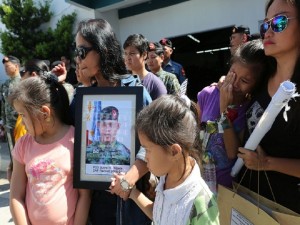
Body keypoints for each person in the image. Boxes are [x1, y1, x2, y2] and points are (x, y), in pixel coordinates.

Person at [71, 18, 152, 225]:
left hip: (129, 203)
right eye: (76, 52)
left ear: (103, 50)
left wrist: (131, 177)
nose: (77, 59)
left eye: (82, 51)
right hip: (94, 205)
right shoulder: (81, 97)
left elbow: (155, 142)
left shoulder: (136, 93)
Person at [237, 0, 300, 214]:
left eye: (280, 22)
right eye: (265, 25)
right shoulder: (261, 78)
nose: (268, 31)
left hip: (286, 208)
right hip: (248, 198)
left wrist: (267, 163)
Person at [119, 95, 219, 225]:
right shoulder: (168, 175)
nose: (145, 157)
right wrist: (132, 192)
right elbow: (160, 215)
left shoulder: (201, 206)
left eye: (147, 150)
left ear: (174, 151)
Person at [9, 74, 91, 225]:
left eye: (23, 115)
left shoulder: (75, 141)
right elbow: (16, 196)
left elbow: (84, 196)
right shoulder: (23, 145)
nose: (21, 122)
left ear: (45, 113)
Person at [197, 40, 269, 193]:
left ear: (256, 85)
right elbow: (196, 133)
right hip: (200, 182)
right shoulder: (207, 94)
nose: (235, 83)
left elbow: (232, 154)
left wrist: (224, 110)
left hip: (226, 188)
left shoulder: (249, 111)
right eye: (233, 74)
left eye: (244, 81)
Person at [124, 34, 167, 100]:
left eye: (132, 53)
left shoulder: (155, 84)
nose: (127, 58)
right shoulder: (123, 82)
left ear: (144, 55)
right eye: (125, 54)